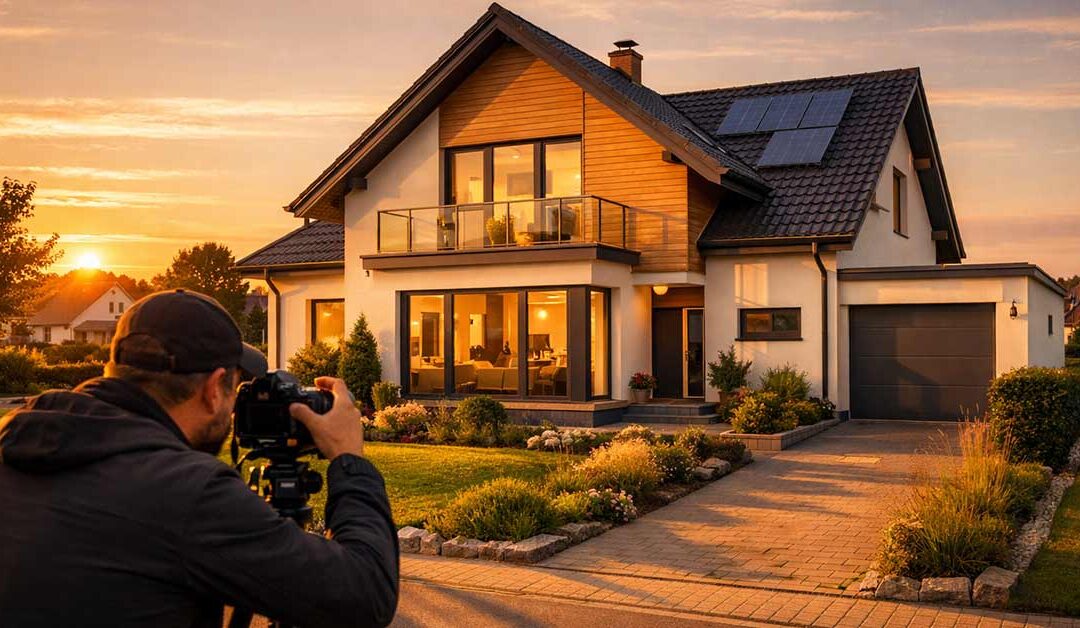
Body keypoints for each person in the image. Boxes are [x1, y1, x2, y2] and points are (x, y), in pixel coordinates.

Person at [0, 290, 398, 628]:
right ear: (212, 390)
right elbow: (364, 594)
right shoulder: (185, 493)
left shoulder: (13, 442)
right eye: (235, 390)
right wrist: (349, 460)